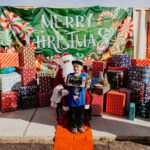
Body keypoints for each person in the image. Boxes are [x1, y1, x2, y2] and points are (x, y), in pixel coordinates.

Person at [66, 60, 90, 134]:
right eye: (74, 66)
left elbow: (88, 85)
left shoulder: (85, 75)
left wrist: (87, 84)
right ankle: (73, 126)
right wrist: (68, 83)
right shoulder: (70, 75)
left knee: (80, 114)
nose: (76, 68)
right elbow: (67, 84)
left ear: (81, 67)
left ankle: (80, 125)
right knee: (72, 113)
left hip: (81, 99)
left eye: (77, 66)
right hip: (72, 98)